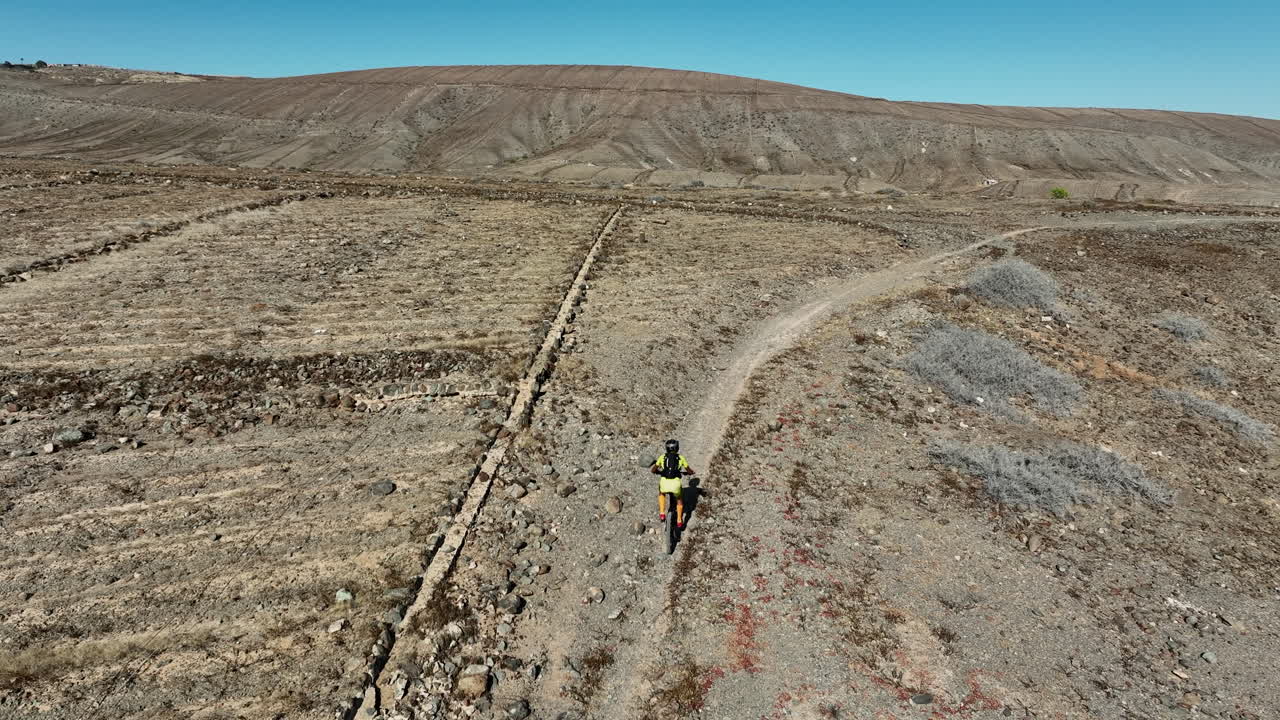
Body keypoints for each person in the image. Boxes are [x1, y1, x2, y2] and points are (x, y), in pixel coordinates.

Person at [650, 439, 695, 528]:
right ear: (677, 448)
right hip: (675, 484)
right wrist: (691, 472)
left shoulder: (662, 457)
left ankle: (662, 513)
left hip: (664, 483)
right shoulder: (681, 458)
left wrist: (658, 471)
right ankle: (679, 520)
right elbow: (688, 470)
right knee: (679, 499)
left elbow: (653, 470)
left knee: (661, 492)